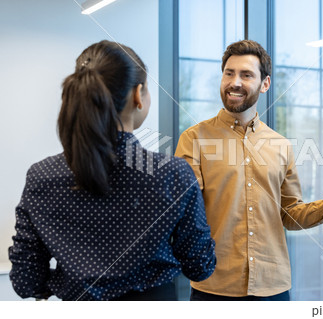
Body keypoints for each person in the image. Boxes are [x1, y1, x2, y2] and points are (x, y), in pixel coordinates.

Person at [9, 40, 215, 301]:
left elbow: (26, 280)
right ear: (138, 94)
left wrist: (71, 283)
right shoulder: (173, 174)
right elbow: (200, 266)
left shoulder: (42, 176)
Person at [175, 40, 323, 301]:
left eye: (246, 75)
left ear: (265, 84)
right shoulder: (194, 139)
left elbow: (290, 215)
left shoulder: (280, 145)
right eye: (229, 73)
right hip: (215, 287)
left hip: (273, 288)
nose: (235, 82)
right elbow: (186, 213)